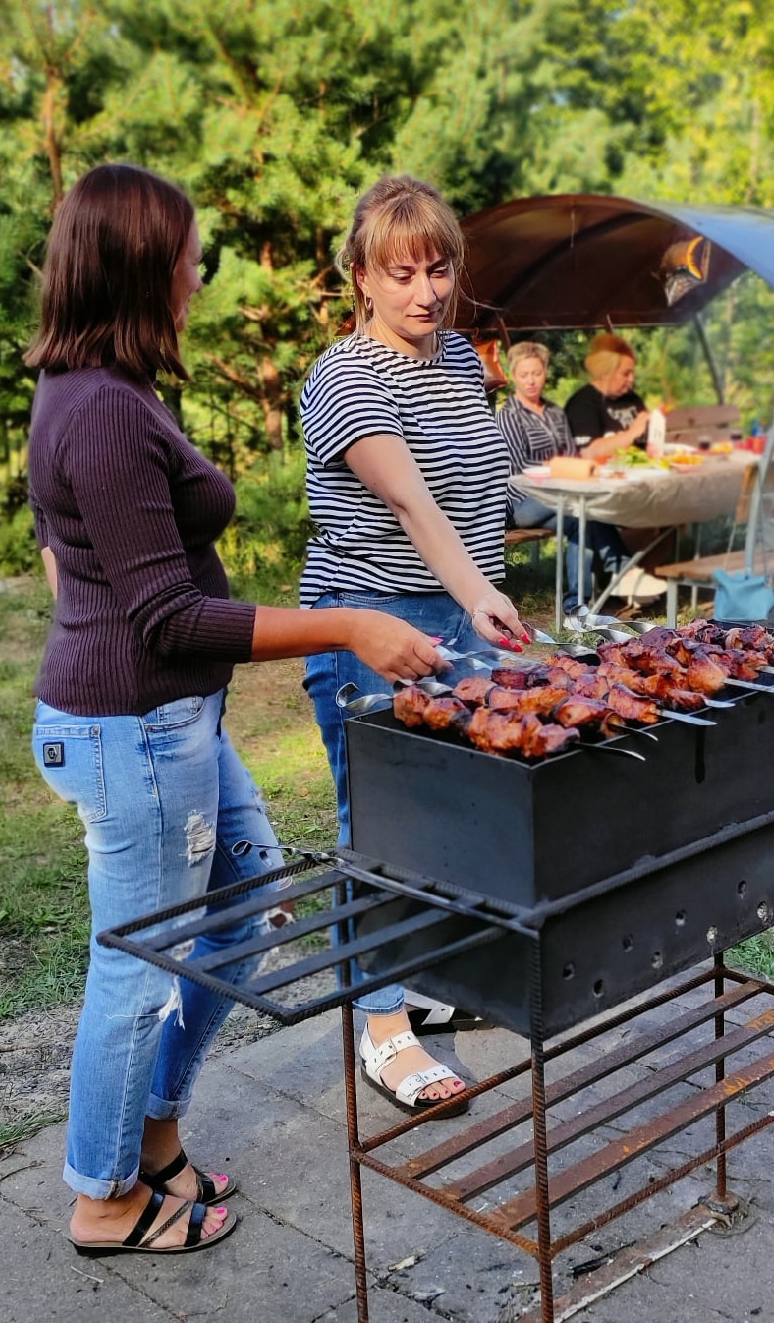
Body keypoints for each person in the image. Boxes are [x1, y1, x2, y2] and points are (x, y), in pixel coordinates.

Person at [26, 163, 445, 1258]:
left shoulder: (103, 388)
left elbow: (76, 551)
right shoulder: (101, 410)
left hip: (169, 725)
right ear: (139, 269)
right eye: (187, 257)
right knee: (136, 965)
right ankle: (104, 1198)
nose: (199, 274)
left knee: (245, 905)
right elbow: (168, 617)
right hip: (137, 733)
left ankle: (153, 1133)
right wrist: (348, 624)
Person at [299, 174, 529, 1116]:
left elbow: (476, 491)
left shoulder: (459, 359)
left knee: (462, 815)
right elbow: (409, 500)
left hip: (460, 620)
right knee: (384, 828)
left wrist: (491, 581)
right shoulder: (344, 375)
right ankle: (381, 1027)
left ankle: (428, 977)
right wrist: (477, 594)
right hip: (370, 622)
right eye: (400, 274)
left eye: (438, 269)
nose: (424, 292)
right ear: (360, 275)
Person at [497, 340, 664, 607]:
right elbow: (520, 470)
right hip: (524, 501)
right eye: (524, 374)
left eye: (536, 373)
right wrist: (562, 472)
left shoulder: (554, 412)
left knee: (582, 516)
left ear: (545, 372)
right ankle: (623, 571)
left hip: (563, 495)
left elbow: (572, 453)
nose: (531, 381)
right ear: (514, 376)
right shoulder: (508, 416)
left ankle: (576, 607)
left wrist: (572, 470)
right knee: (582, 505)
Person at [563, 331, 651, 458]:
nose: (631, 379)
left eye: (632, 373)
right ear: (606, 373)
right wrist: (631, 434)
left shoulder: (632, 399)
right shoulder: (582, 405)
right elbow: (587, 452)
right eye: (626, 374)